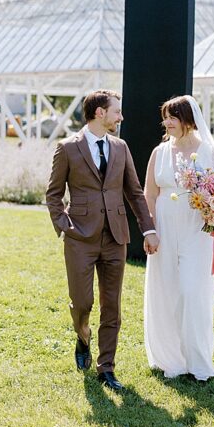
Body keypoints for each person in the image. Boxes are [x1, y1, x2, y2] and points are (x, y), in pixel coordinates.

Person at [45, 89, 159, 391]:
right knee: (82, 302)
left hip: (115, 236)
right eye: (116, 111)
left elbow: (134, 192)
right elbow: (53, 194)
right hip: (80, 237)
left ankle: (106, 368)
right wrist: (64, 225)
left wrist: (148, 228)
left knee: (112, 306)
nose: (121, 117)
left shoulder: (120, 148)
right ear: (100, 113)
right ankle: (83, 338)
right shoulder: (68, 148)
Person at [142, 94, 214, 382]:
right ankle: (170, 359)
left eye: (172, 117)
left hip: (197, 229)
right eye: (165, 117)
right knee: (165, 289)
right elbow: (150, 194)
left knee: (192, 290)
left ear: (188, 120)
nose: (167, 123)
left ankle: (198, 361)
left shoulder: (208, 153)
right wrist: (150, 229)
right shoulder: (159, 152)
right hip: (164, 225)